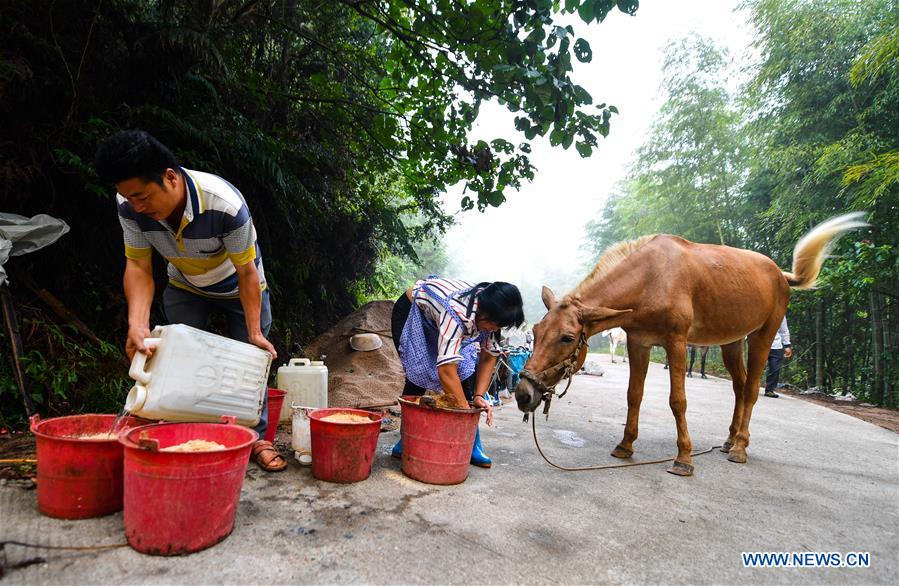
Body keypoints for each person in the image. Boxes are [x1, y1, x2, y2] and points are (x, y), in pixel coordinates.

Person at [93, 130, 284, 471]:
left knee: (251, 362)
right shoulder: (129, 205)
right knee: (173, 358)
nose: (136, 206)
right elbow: (138, 266)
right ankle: (182, 434)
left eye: (143, 197)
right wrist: (136, 325)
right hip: (185, 284)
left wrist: (254, 332)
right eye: (128, 198)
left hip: (237, 287)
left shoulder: (225, 204)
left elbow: (247, 273)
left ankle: (256, 439)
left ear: (170, 177)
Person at [389, 277, 525, 468]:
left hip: (446, 318)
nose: (495, 330)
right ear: (484, 312)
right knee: (418, 373)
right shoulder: (457, 313)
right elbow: (445, 370)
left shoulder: (492, 317)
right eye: (494, 324)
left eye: (499, 326)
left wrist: (478, 396)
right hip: (413, 310)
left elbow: (489, 356)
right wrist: (464, 413)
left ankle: (471, 443)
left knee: (463, 374)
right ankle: (407, 438)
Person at [764, 316, 793, 398]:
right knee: (755, 367)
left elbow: (784, 330)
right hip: (760, 345)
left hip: (776, 345)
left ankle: (769, 390)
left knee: (775, 369)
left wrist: (787, 345)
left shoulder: (780, 313)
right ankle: (749, 386)